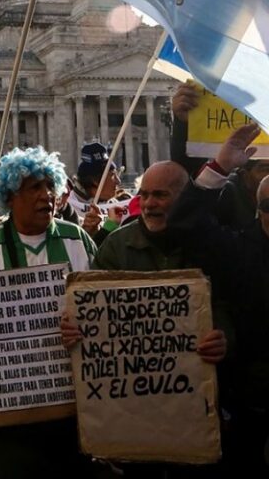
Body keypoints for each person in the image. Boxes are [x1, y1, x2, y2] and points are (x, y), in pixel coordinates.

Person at [61, 161, 228, 477]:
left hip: (194, 407)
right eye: (145, 195)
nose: (150, 203)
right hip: (132, 416)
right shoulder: (116, 245)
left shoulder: (208, 244)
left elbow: (228, 304)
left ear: (184, 199)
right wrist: (75, 329)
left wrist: (223, 336)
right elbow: (91, 310)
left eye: (161, 195)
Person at [0, 145, 97, 477]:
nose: (46, 195)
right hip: (4, 418)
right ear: (11, 195)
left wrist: (86, 329)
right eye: (34, 187)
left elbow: (102, 308)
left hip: (71, 415)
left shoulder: (79, 242)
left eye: (50, 186)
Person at [166, 123, 269, 473]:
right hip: (255, 406)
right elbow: (184, 224)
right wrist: (220, 167)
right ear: (259, 209)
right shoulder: (240, 250)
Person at [170, 81, 269, 233]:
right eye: (265, 169)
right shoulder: (227, 207)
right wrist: (185, 126)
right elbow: (188, 223)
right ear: (245, 176)